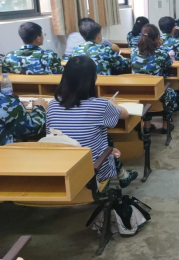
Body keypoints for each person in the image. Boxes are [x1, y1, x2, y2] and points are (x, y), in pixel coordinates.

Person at [47, 56, 138, 187]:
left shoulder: (52, 104)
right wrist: (114, 104)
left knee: (102, 139)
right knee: (107, 142)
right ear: (93, 79)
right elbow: (124, 114)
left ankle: (122, 173)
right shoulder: (100, 105)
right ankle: (121, 174)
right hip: (92, 170)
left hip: (61, 167)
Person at [131, 24, 179, 134]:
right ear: (157, 38)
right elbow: (168, 64)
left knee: (144, 98)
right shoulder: (161, 53)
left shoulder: (133, 52)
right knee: (172, 93)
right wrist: (160, 47)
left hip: (137, 91)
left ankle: (147, 125)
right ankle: (165, 125)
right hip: (156, 93)